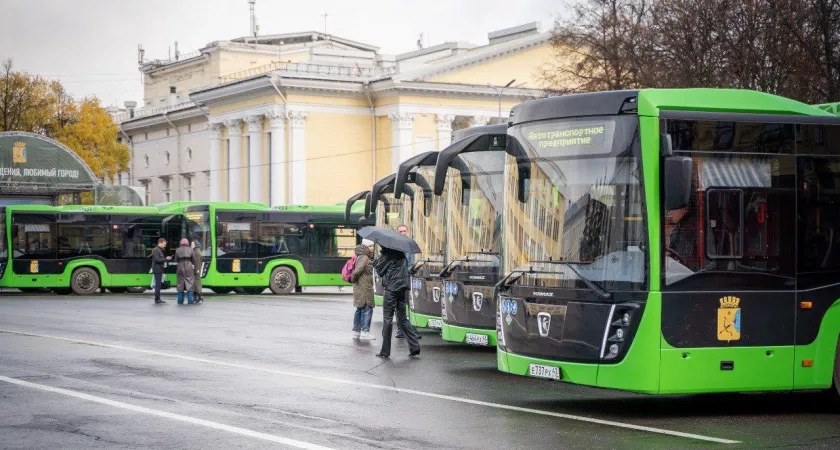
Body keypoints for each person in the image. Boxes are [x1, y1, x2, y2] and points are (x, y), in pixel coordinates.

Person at [373, 246, 420, 358]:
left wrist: (376, 263)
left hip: (391, 290)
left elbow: (380, 271)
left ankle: (385, 352)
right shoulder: (402, 256)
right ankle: (415, 347)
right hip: (402, 290)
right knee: (403, 319)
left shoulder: (387, 256)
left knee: (388, 320)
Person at [395, 224, 420, 340]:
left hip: (409, 278)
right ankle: (400, 329)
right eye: (400, 231)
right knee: (400, 305)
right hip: (398, 280)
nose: (403, 233)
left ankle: (412, 328)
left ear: (407, 231)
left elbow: (414, 262)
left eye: (404, 231)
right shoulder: (394, 246)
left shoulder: (411, 245)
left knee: (411, 304)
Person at [351, 239, 376, 340]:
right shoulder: (365, 257)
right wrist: (354, 279)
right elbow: (357, 271)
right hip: (364, 287)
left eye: (373, 246)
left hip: (360, 286)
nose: (373, 248)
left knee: (360, 308)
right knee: (367, 308)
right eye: (370, 246)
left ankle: (356, 331)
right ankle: (365, 332)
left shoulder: (361, 256)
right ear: (366, 247)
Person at [175, 238, 196, 305]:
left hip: (180, 266)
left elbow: (176, 260)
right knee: (190, 282)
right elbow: (194, 259)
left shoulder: (177, 250)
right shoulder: (191, 249)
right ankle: (190, 301)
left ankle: (180, 301)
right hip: (189, 266)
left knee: (180, 283)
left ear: (181, 243)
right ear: (187, 243)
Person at [151, 238, 171, 304]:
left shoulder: (159, 250)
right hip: (157, 269)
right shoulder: (156, 250)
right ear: (160, 242)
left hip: (159, 269)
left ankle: (158, 298)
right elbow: (157, 260)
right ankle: (157, 299)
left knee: (158, 284)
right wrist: (165, 259)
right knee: (158, 285)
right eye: (164, 244)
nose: (165, 246)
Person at [191, 240, 204, 304]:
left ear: (195, 245)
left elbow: (197, 263)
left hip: (196, 270)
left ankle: (199, 296)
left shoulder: (196, 252)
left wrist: (197, 270)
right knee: (195, 283)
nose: (191, 245)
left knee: (196, 283)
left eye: (192, 244)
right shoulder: (196, 251)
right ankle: (198, 296)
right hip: (196, 270)